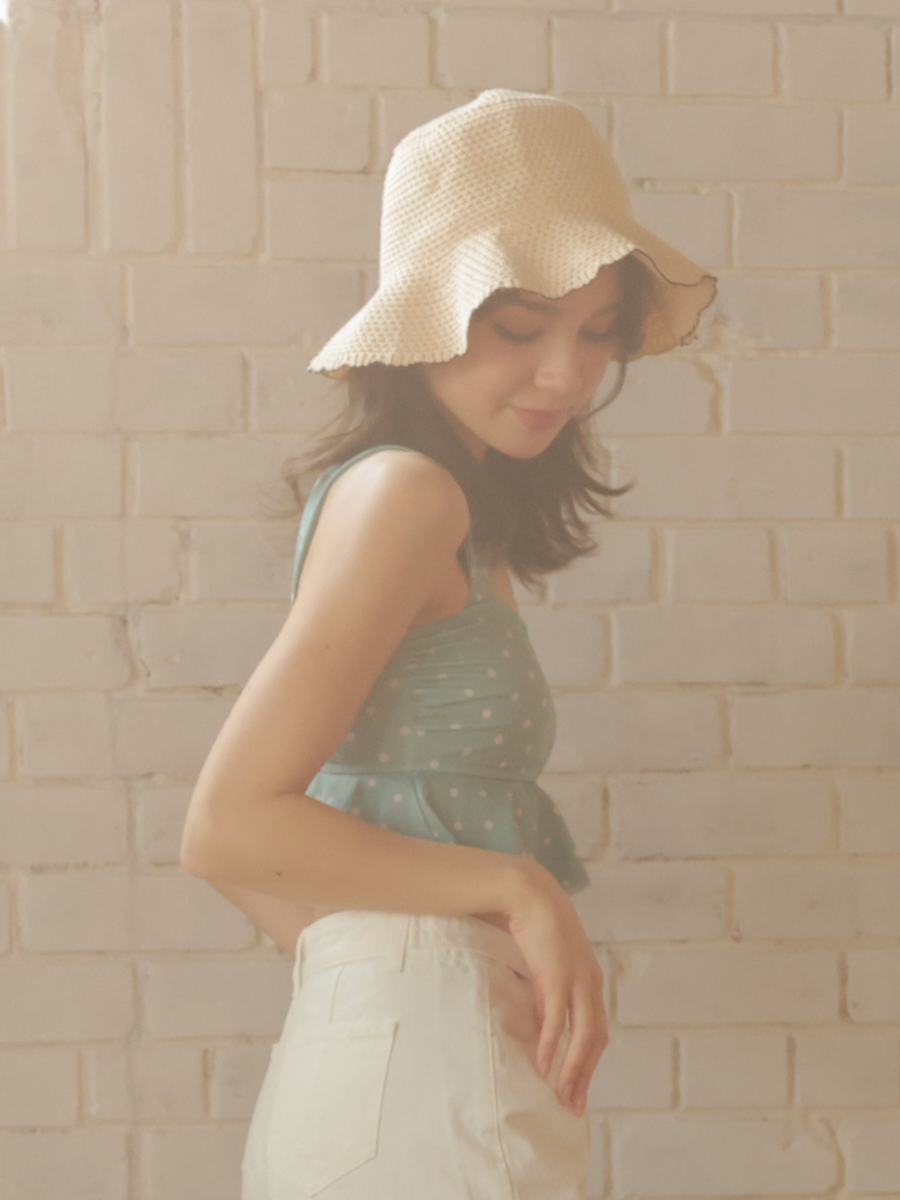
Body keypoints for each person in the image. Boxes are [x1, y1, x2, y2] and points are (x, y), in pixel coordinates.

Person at [180, 88, 717, 1200]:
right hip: (426, 1085)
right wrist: (517, 895)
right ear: (424, 316)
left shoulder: (441, 510)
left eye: (597, 332)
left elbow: (272, 850)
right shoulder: (408, 497)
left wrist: (373, 975)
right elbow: (227, 828)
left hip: (406, 1066)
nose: (566, 375)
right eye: (520, 327)